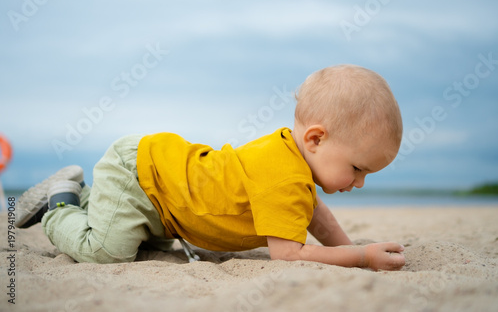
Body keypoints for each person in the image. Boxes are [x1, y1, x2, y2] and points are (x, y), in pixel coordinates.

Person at [15, 64, 406, 271]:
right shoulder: (283, 174)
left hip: (162, 193)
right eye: (357, 168)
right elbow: (289, 256)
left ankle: (90, 197)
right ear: (316, 140)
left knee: (145, 246)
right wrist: (360, 258)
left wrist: (350, 248)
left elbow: (315, 215)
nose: (359, 183)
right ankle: (62, 203)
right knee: (106, 252)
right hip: (142, 177)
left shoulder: (291, 160)